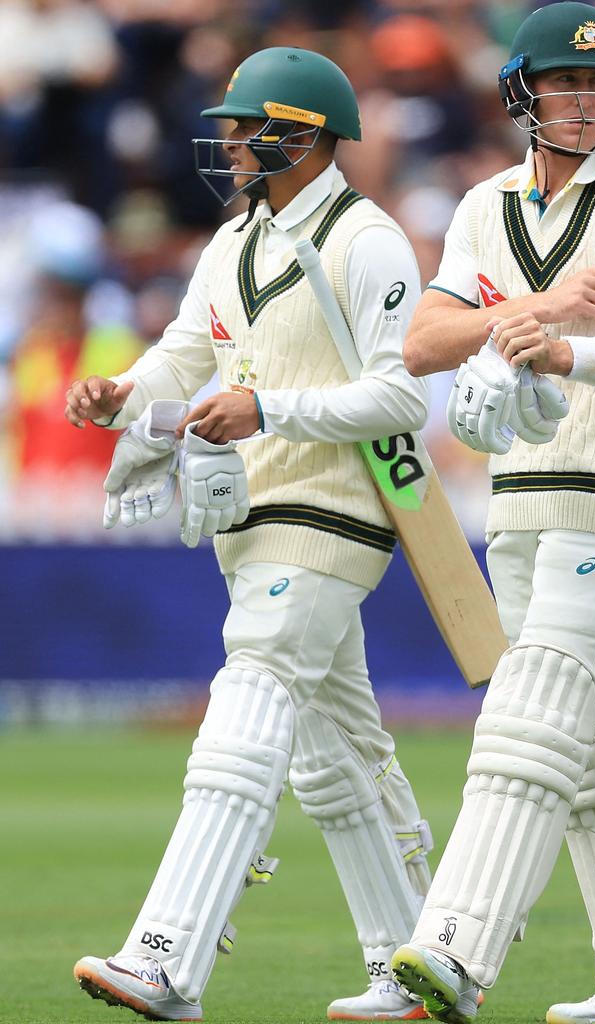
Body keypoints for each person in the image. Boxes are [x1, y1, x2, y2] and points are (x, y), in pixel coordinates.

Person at [65, 46, 453, 1023]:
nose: (229, 142)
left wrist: (267, 407)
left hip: (332, 511)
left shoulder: (367, 240)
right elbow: (179, 359)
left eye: (244, 127)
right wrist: (118, 396)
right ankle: (414, 964)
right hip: (249, 514)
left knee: (246, 704)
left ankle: (165, 960)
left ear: (303, 135)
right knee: (335, 756)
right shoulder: (236, 238)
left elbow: (401, 393)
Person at [390, 5, 595, 1024]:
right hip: (521, 495)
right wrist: (536, 310)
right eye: (565, 85)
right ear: (521, 93)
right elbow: (425, 344)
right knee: (590, 749)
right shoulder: (487, 204)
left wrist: (575, 345)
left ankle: (452, 952)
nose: (586, 101)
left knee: (529, 721)